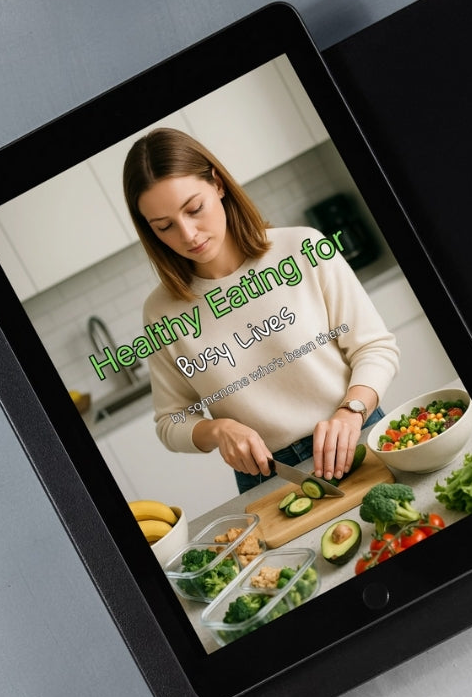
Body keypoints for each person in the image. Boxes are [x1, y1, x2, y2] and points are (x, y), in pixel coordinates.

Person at [123, 128, 399, 493]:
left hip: (355, 434)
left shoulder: (303, 248)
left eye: (194, 209)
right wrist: (217, 429)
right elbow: (170, 421)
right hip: (267, 475)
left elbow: (375, 348)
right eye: (165, 226)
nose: (187, 234)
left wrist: (352, 412)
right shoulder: (161, 312)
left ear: (218, 184)